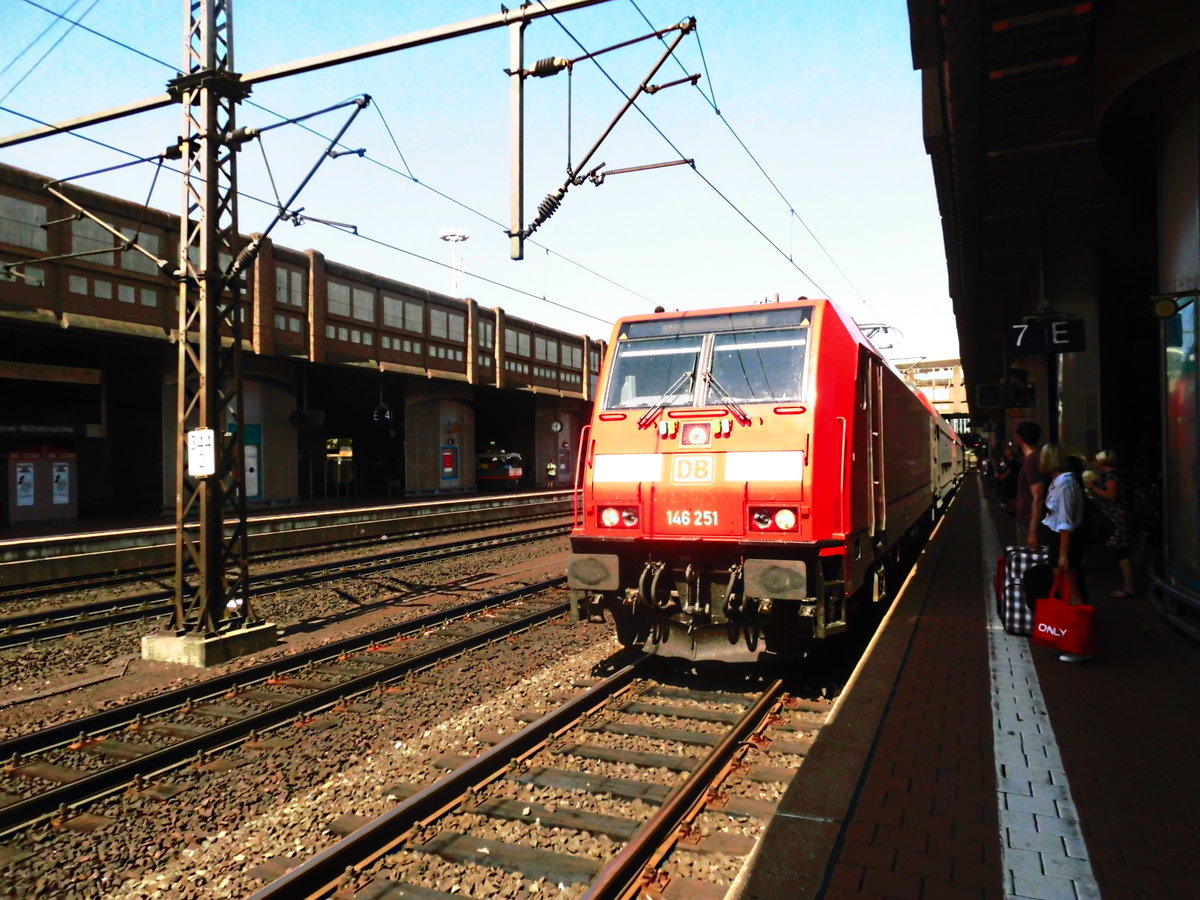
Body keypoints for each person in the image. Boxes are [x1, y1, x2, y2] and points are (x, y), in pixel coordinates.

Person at [1038, 442, 1092, 662]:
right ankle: (1071, 639)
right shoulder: (1058, 483)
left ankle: (1080, 646)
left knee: (1072, 594)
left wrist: (1062, 554)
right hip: (1058, 543)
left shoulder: (1066, 485)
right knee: (1067, 592)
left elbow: (1066, 524)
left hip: (1065, 544)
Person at [1090, 449, 1136, 598]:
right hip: (1116, 518)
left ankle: (1129, 587)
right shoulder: (1112, 475)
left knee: (1122, 552)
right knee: (1121, 551)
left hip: (1117, 519)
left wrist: (1093, 488)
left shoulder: (1111, 477)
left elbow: (1111, 495)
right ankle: (1129, 585)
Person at [1013, 421, 1044, 547]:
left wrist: (1032, 531)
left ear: (1020, 438)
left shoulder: (1032, 461)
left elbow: (1038, 498)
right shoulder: (1037, 458)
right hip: (1029, 520)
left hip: (1028, 521)